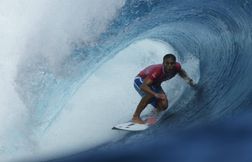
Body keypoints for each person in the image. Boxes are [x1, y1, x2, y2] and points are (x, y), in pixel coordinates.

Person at [132, 54, 196, 124]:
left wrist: (188, 80)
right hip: (141, 80)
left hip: (155, 84)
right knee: (150, 95)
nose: (169, 66)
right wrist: (155, 94)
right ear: (163, 63)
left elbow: (181, 72)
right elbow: (143, 86)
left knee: (164, 105)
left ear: (175, 63)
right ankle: (135, 117)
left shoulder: (177, 67)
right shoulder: (157, 71)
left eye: (172, 63)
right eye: (167, 63)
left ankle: (153, 115)